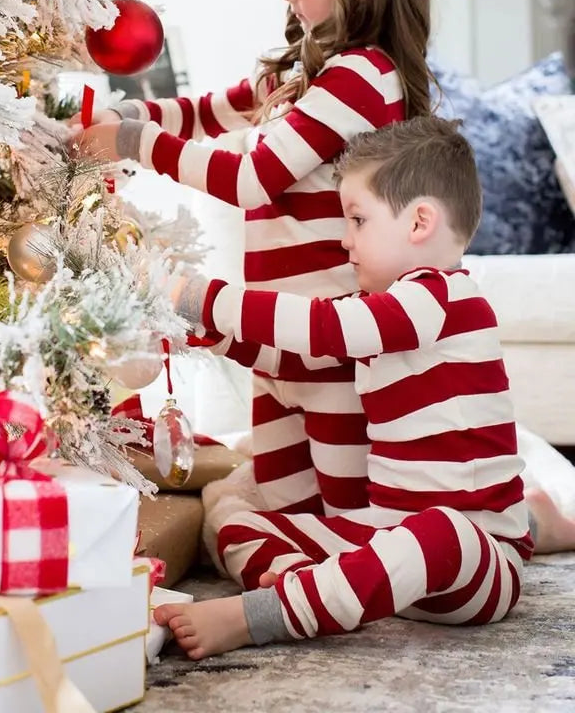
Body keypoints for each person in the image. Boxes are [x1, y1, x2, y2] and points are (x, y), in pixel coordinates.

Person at [71, 0, 434, 518]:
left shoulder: (364, 77)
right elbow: (212, 110)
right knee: (283, 507)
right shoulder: (305, 71)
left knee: (350, 517)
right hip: (278, 344)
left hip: (328, 345)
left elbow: (252, 178)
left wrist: (134, 144)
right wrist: (129, 116)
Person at [154, 116, 534, 659]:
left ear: (420, 222)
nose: (344, 239)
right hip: (388, 538)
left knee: (438, 533)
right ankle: (310, 590)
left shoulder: (444, 300)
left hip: (476, 559)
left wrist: (198, 297)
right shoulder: (382, 313)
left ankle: (261, 615)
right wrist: (207, 335)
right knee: (235, 523)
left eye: (357, 220)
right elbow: (293, 356)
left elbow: (320, 327)